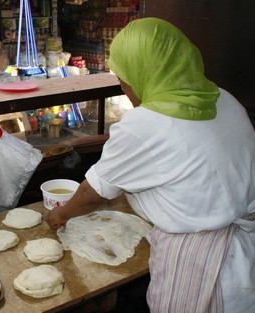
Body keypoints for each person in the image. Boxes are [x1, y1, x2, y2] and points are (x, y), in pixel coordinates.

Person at [46, 17, 255, 313]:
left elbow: (93, 194)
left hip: (201, 265)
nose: (122, 86)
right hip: (247, 256)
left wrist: (60, 216)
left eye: (123, 77)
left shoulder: (144, 125)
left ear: (143, 72)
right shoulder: (224, 99)